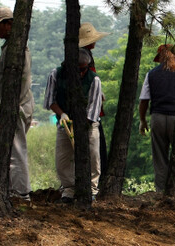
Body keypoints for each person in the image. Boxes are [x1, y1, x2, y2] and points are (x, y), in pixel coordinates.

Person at [44, 48, 102, 203]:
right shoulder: (56, 74)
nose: (81, 73)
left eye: (84, 69)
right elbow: (50, 101)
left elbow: (93, 109)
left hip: (88, 124)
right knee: (62, 158)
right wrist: (62, 114)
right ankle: (69, 189)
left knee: (92, 156)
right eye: (78, 70)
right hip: (64, 122)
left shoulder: (94, 80)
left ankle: (91, 190)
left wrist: (80, 130)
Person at [0, 7, 35, 201]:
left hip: (17, 107)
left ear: (8, 24)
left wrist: (11, 106)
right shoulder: (10, 47)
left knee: (16, 152)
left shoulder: (18, 50)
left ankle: (21, 193)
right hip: (14, 106)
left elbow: (21, 81)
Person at [138, 44, 175, 192]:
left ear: (161, 57)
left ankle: (161, 191)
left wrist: (142, 120)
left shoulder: (152, 74)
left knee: (160, 157)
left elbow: (144, 100)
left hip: (158, 118)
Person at [78, 22, 110, 184]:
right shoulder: (84, 58)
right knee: (97, 149)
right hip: (91, 111)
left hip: (94, 107)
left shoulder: (87, 55)